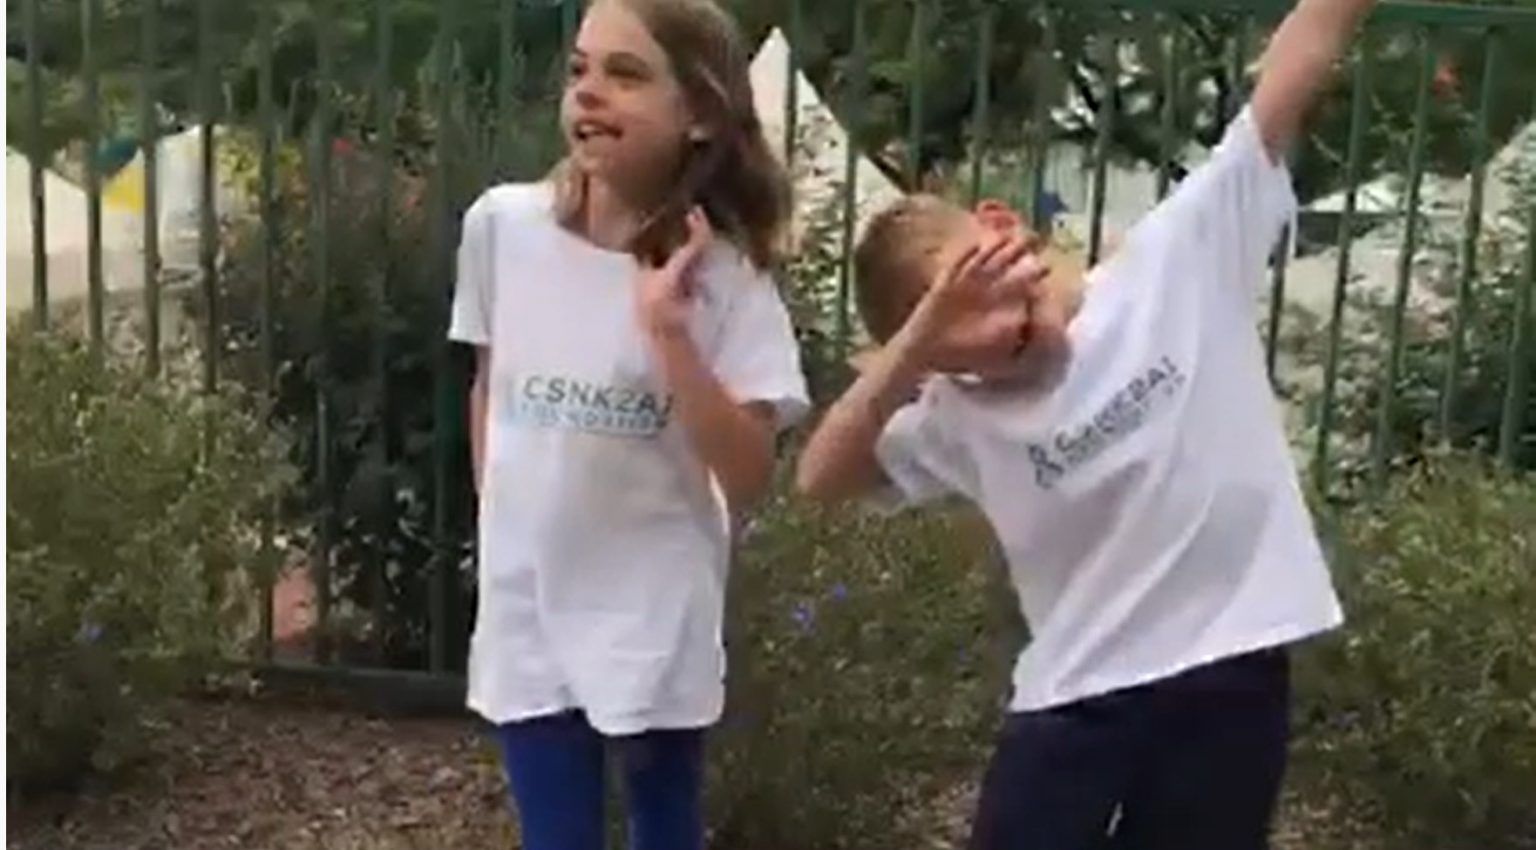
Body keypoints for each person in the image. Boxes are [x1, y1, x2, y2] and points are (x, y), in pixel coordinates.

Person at [795, 1, 1377, 847]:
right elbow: (819, 477)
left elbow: (1295, 67)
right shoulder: (961, 412)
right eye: (965, 333)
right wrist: (921, 345)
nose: (999, 332)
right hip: (1077, 701)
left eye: (990, 286)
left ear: (1000, 224)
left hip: (1229, 671)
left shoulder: (1178, 261)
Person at [446, 1, 808, 848]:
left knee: (662, 830)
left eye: (627, 73)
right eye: (579, 70)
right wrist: (504, 527)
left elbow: (750, 473)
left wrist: (669, 332)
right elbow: (491, 386)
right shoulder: (501, 227)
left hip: (649, 615)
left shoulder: (726, 281)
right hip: (527, 607)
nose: (590, 93)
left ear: (702, 116)